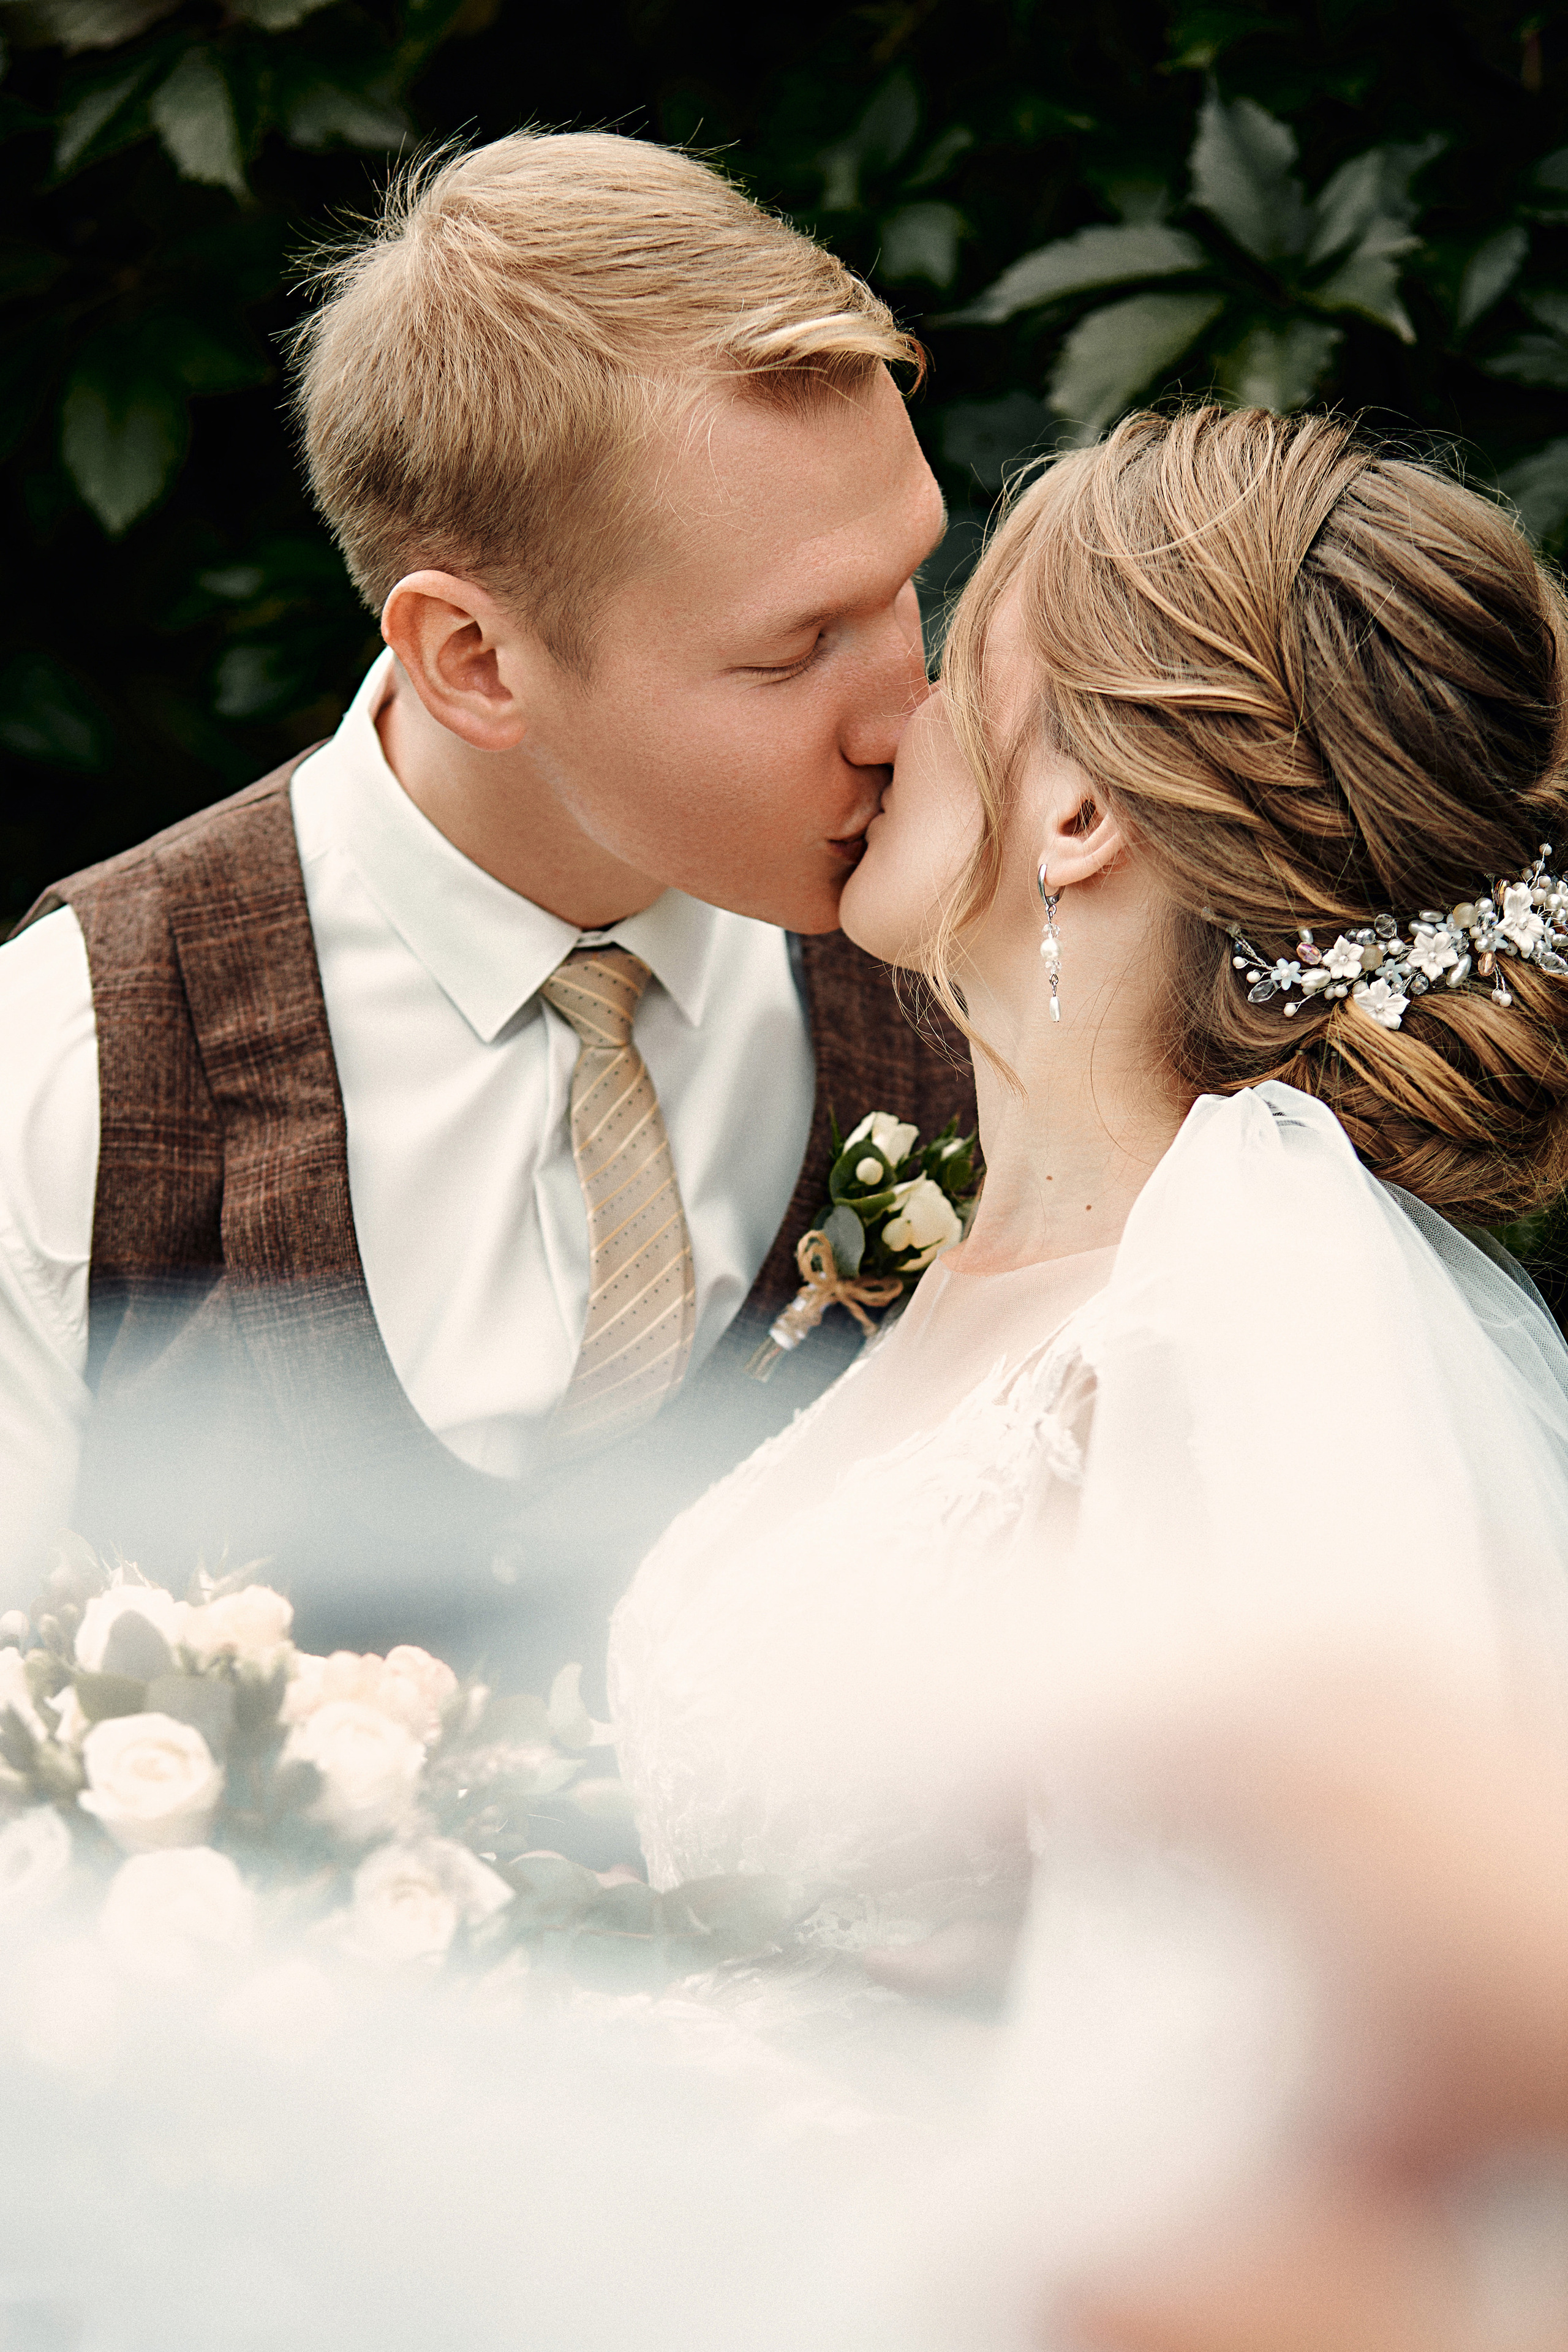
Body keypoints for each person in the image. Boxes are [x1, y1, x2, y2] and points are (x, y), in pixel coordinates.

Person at [606, 403, 1568, 2035]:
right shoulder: (988, 1273)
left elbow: (1269, 2041)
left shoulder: (1240, 1326)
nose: (893, 712)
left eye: (961, 649)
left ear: (1075, 815)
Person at [0, 132, 973, 1678]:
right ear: (473, 659)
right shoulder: (71, 1065)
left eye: (907, 585)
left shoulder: (988, 967)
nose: (908, 718)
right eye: (794, 650)